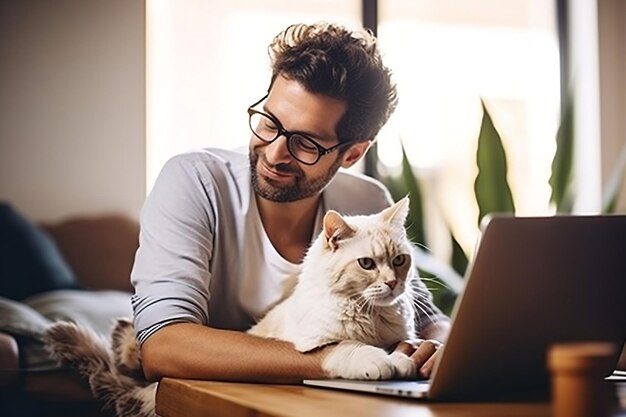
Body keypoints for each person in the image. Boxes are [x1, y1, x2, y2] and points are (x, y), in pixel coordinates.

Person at [130, 21, 450, 384]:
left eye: (307, 143)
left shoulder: (366, 199)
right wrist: (334, 358)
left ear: (352, 153)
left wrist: (439, 346)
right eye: (269, 122)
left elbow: (427, 317)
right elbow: (162, 346)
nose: (275, 152)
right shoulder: (194, 182)